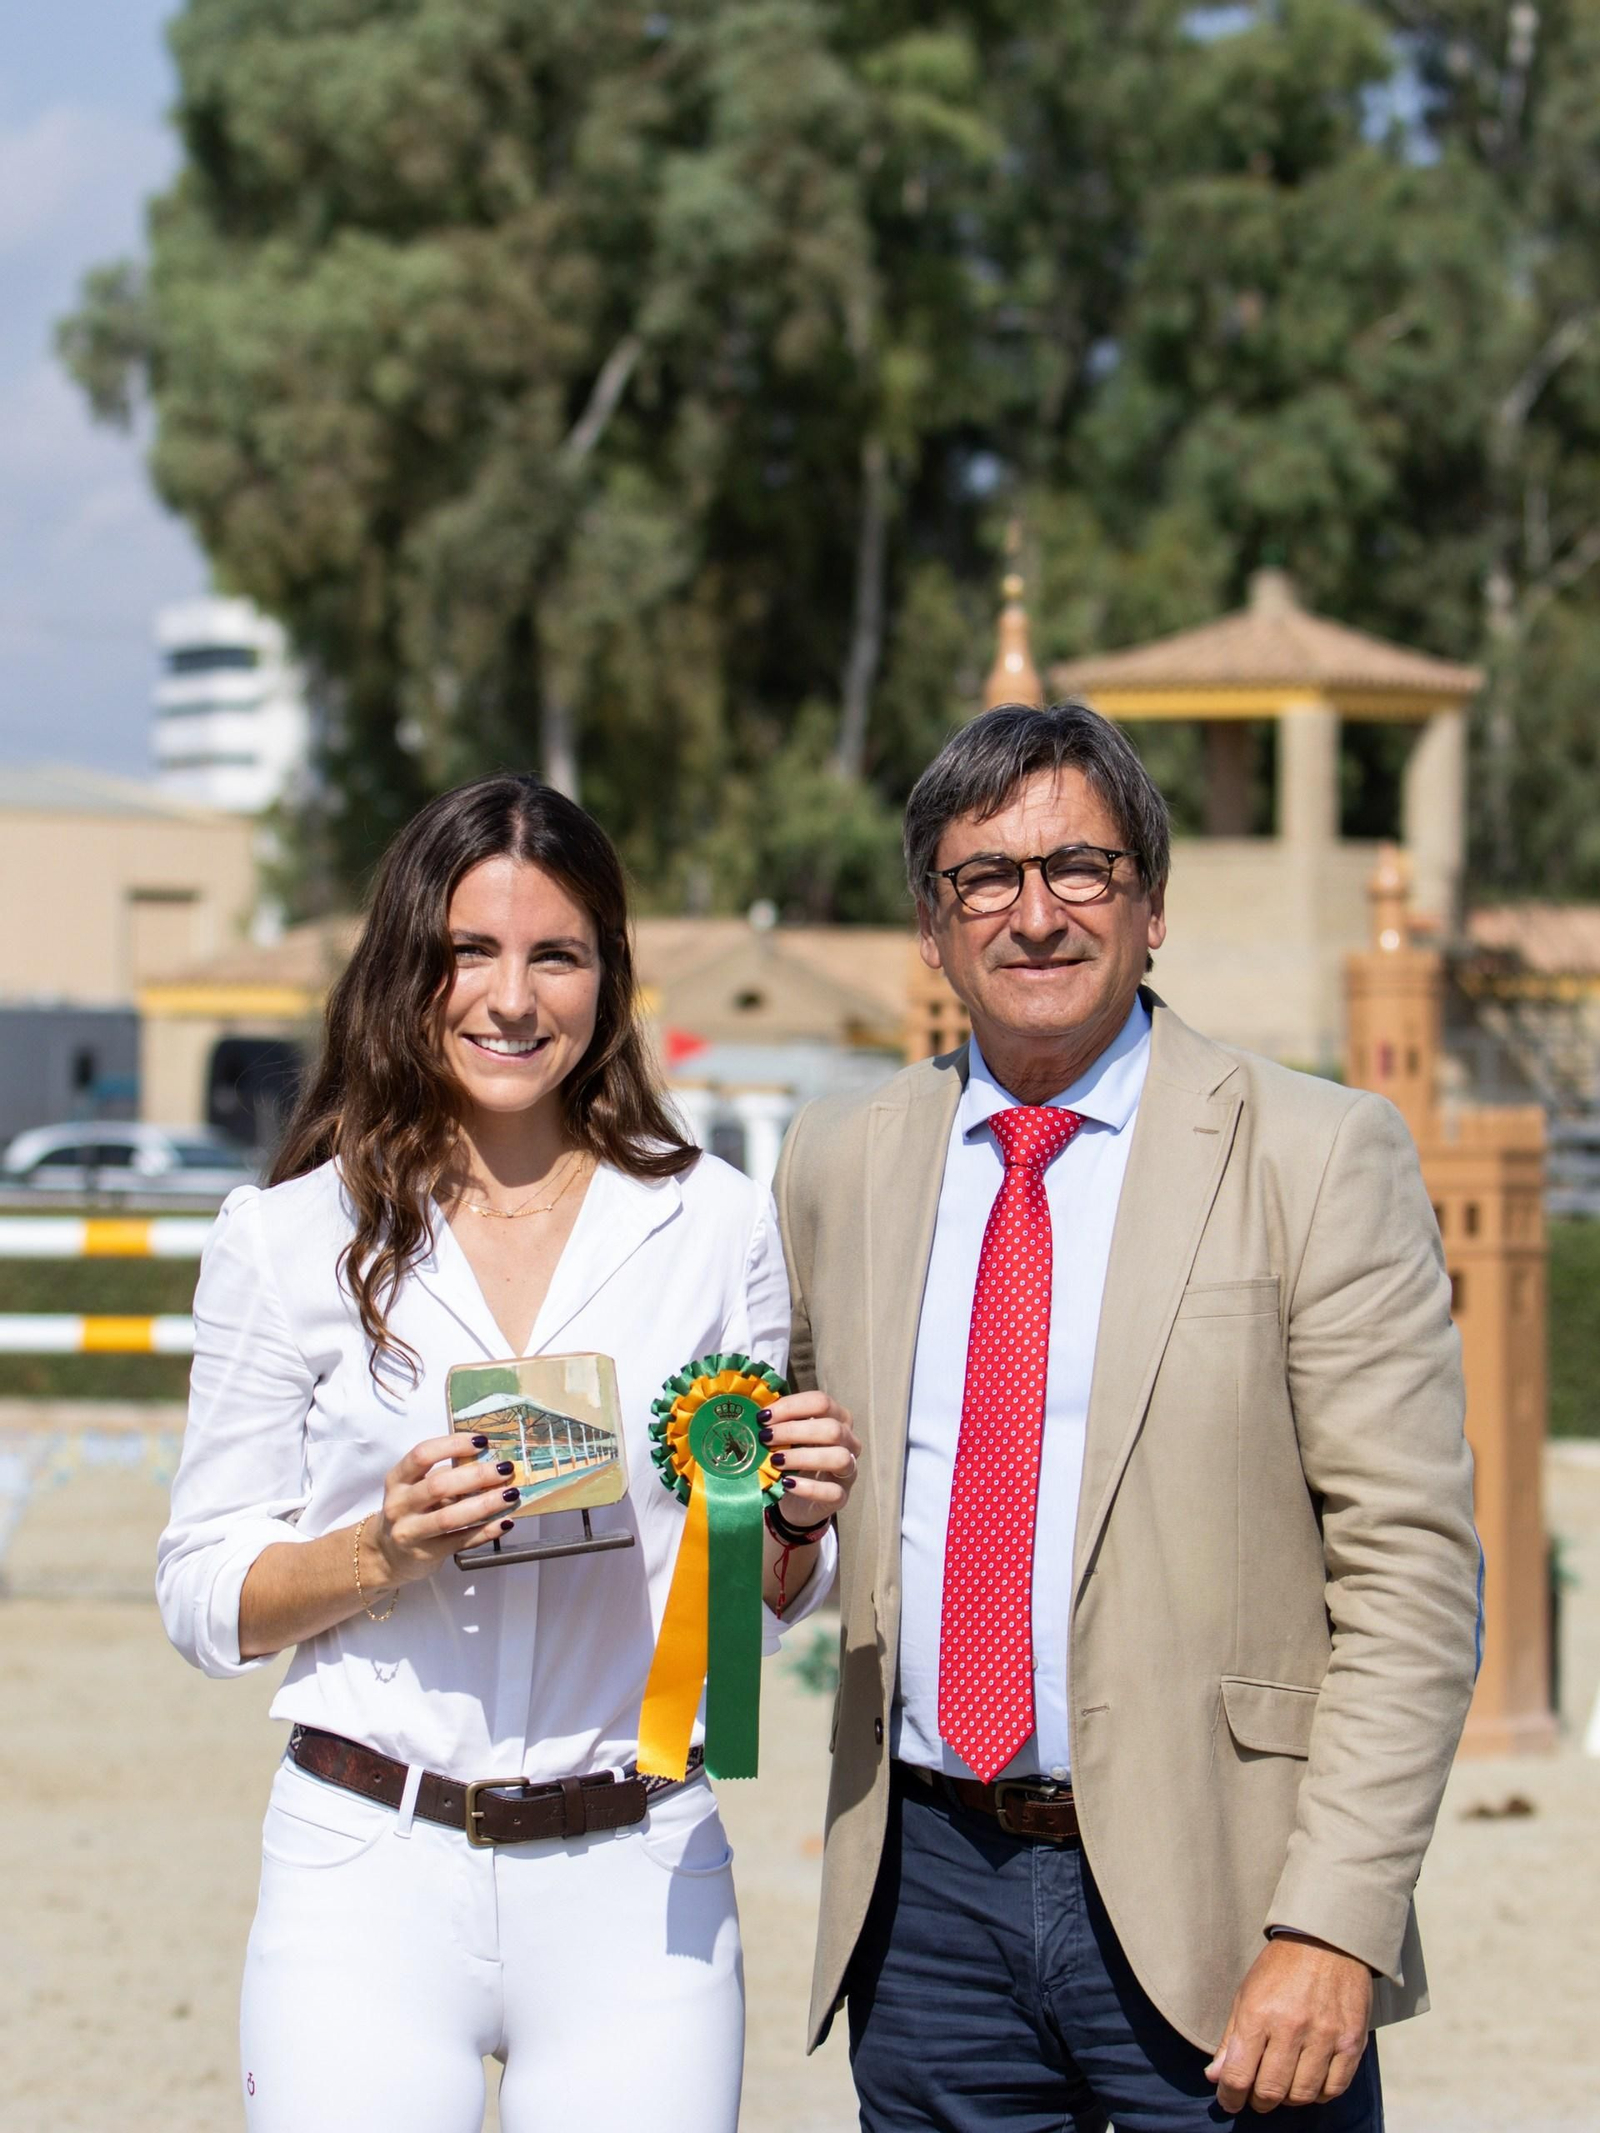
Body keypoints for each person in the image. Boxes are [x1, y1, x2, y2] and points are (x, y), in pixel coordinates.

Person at [773, 702, 1481, 2132]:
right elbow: (794, 1507)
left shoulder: (1317, 1153)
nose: (1035, 914)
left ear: (1152, 903)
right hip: (924, 1910)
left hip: (1226, 1910)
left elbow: (1412, 1574)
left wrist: (1335, 1922)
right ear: (932, 924)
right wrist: (772, 1538)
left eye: (1081, 869)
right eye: (987, 877)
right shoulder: (838, 1161)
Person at [157, 774, 859, 2133]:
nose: (512, 997)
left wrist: (791, 1528)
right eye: (470, 952)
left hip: (640, 1871)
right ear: (407, 965)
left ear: (608, 977)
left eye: (557, 954)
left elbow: (751, 1611)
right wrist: (381, 1546)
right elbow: (199, 1593)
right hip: (365, 1872)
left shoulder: (711, 1222)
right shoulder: (287, 1235)